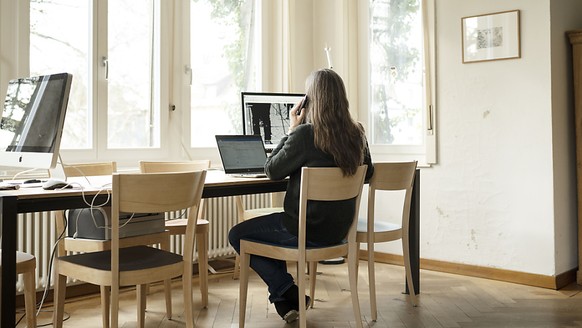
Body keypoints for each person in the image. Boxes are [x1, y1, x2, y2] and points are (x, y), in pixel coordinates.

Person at [228, 69, 374, 323]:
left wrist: (292, 128)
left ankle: (288, 290)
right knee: (268, 230)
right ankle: (286, 302)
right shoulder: (357, 134)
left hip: (303, 230)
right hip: (338, 232)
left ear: (310, 100)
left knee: (237, 234)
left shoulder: (306, 135)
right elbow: (368, 173)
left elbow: (272, 170)